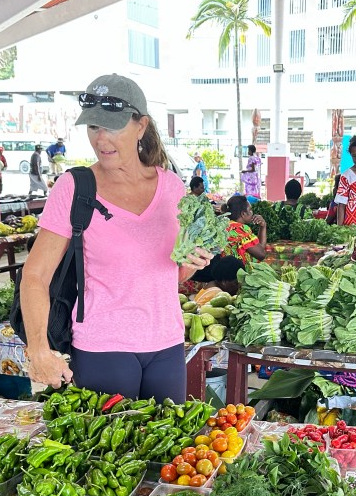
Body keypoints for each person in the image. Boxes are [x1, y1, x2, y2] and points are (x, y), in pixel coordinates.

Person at [20, 73, 212, 401]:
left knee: (170, 436)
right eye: (94, 127)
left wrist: (195, 261)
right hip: (103, 346)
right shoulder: (74, 188)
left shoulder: (171, 187)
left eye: (112, 127)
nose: (101, 139)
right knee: (111, 436)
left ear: (141, 126)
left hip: (166, 344)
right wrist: (38, 349)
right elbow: (35, 275)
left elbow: (172, 274)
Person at [223, 194, 267, 264]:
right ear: (243, 214)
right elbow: (261, 254)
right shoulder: (240, 229)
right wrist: (263, 226)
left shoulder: (224, 225)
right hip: (239, 270)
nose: (252, 212)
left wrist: (262, 226)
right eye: (250, 209)